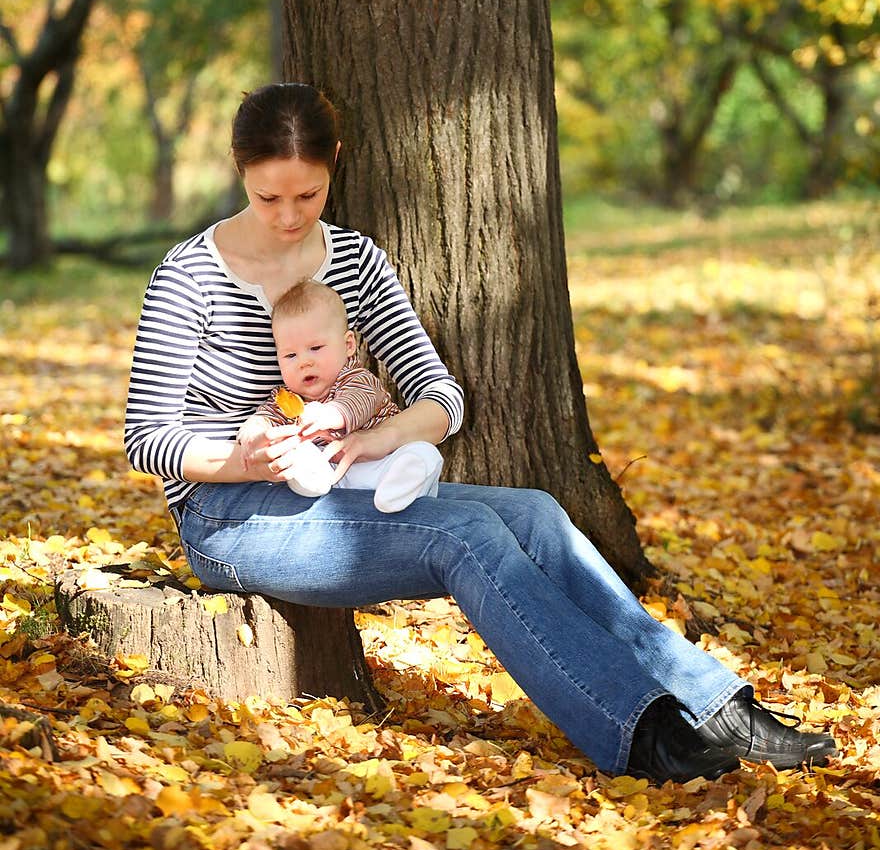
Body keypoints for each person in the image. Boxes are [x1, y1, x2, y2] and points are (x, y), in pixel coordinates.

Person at [123, 82, 837, 784]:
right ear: (238, 168)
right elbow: (145, 439)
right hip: (229, 515)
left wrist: (375, 438)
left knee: (535, 512)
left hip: (344, 478)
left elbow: (441, 396)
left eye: (307, 196)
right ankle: (640, 730)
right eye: (268, 197)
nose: (288, 217)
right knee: (462, 534)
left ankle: (716, 706)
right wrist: (244, 460)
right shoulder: (190, 275)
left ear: (335, 161)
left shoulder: (354, 261)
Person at [236, 276, 443, 511]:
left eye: (315, 348)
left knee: (422, 453)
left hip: (376, 465)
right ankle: (312, 481)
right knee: (296, 452)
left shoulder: (356, 378)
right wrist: (254, 431)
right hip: (330, 476)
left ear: (348, 346)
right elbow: (265, 417)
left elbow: (360, 401)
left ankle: (400, 487)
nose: (304, 362)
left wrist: (332, 413)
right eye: (290, 356)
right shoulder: (288, 399)